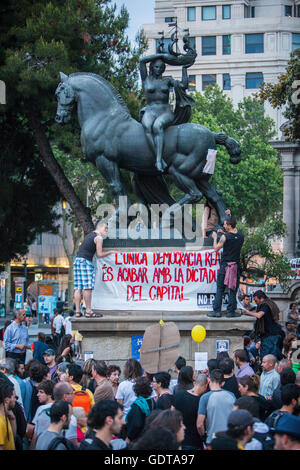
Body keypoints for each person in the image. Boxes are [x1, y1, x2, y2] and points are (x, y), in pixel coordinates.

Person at [139, 51, 195, 173]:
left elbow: (183, 85)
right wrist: (161, 56)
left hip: (165, 111)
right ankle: (157, 156)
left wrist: (184, 69)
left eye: (162, 67)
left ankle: (159, 160)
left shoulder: (167, 80)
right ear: (152, 68)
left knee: (157, 126)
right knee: (147, 126)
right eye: (156, 67)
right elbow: (142, 61)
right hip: (150, 110)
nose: (159, 69)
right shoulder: (146, 79)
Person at [73, 219, 115, 318]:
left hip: (78, 261)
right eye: (106, 227)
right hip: (85, 262)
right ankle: (88, 311)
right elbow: (100, 254)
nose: (106, 230)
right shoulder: (98, 237)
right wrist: (111, 252)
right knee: (87, 288)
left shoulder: (89, 235)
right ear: (100, 226)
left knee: (78, 288)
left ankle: (78, 312)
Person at [207, 215, 244, 318]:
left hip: (225, 266)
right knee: (233, 289)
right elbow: (233, 238)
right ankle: (231, 312)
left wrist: (215, 238)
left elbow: (216, 249)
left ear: (229, 226)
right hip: (235, 267)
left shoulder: (225, 237)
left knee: (220, 289)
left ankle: (217, 311)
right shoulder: (241, 236)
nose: (223, 226)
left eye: (225, 224)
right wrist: (224, 234)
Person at [197, 369, 235, 446]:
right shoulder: (232, 396)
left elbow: (199, 424)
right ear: (223, 383)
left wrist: (203, 436)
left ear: (209, 381)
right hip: (230, 439)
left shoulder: (205, 398)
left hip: (212, 439)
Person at [243, 290, 283, 359]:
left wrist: (247, 312)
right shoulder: (268, 303)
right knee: (272, 356)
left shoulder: (265, 305)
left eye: (256, 300)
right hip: (273, 335)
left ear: (261, 298)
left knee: (266, 357)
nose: (255, 302)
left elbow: (259, 315)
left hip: (270, 336)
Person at [174, 373, 208, 450]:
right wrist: (203, 436)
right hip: (194, 442)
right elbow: (200, 425)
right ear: (205, 386)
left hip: (179, 440)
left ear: (194, 382)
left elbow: (171, 413)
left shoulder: (180, 394)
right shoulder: (200, 401)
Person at [126, 376, 156, 444]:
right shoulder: (152, 401)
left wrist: (129, 437)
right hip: (149, 436)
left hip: (138, 439)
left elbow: (136, 424)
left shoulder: (137, 405)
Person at [0, 379, 16, 450]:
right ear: (6, 400)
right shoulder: (0, 422)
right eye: (14, 397)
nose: (15, 400)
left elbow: (11, 439)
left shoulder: (5, 417)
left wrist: (13, 419)